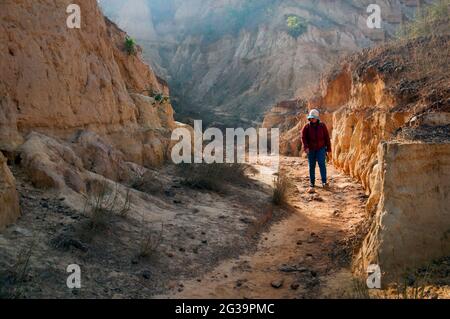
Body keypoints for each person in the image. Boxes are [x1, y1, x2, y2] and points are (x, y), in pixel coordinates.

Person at [301, 109, 332, 192]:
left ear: (317, 118)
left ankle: (324, 182)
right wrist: (306, 147)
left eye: (314, 118)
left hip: (321, 149)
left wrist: (328, 149)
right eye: (311, 118)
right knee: (311, 166)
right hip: (311, 150)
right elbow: (303, 138)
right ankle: (312, 183)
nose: (312, 119)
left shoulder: (322, 126)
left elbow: (327, 137)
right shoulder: (306, 127)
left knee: (322, 165)